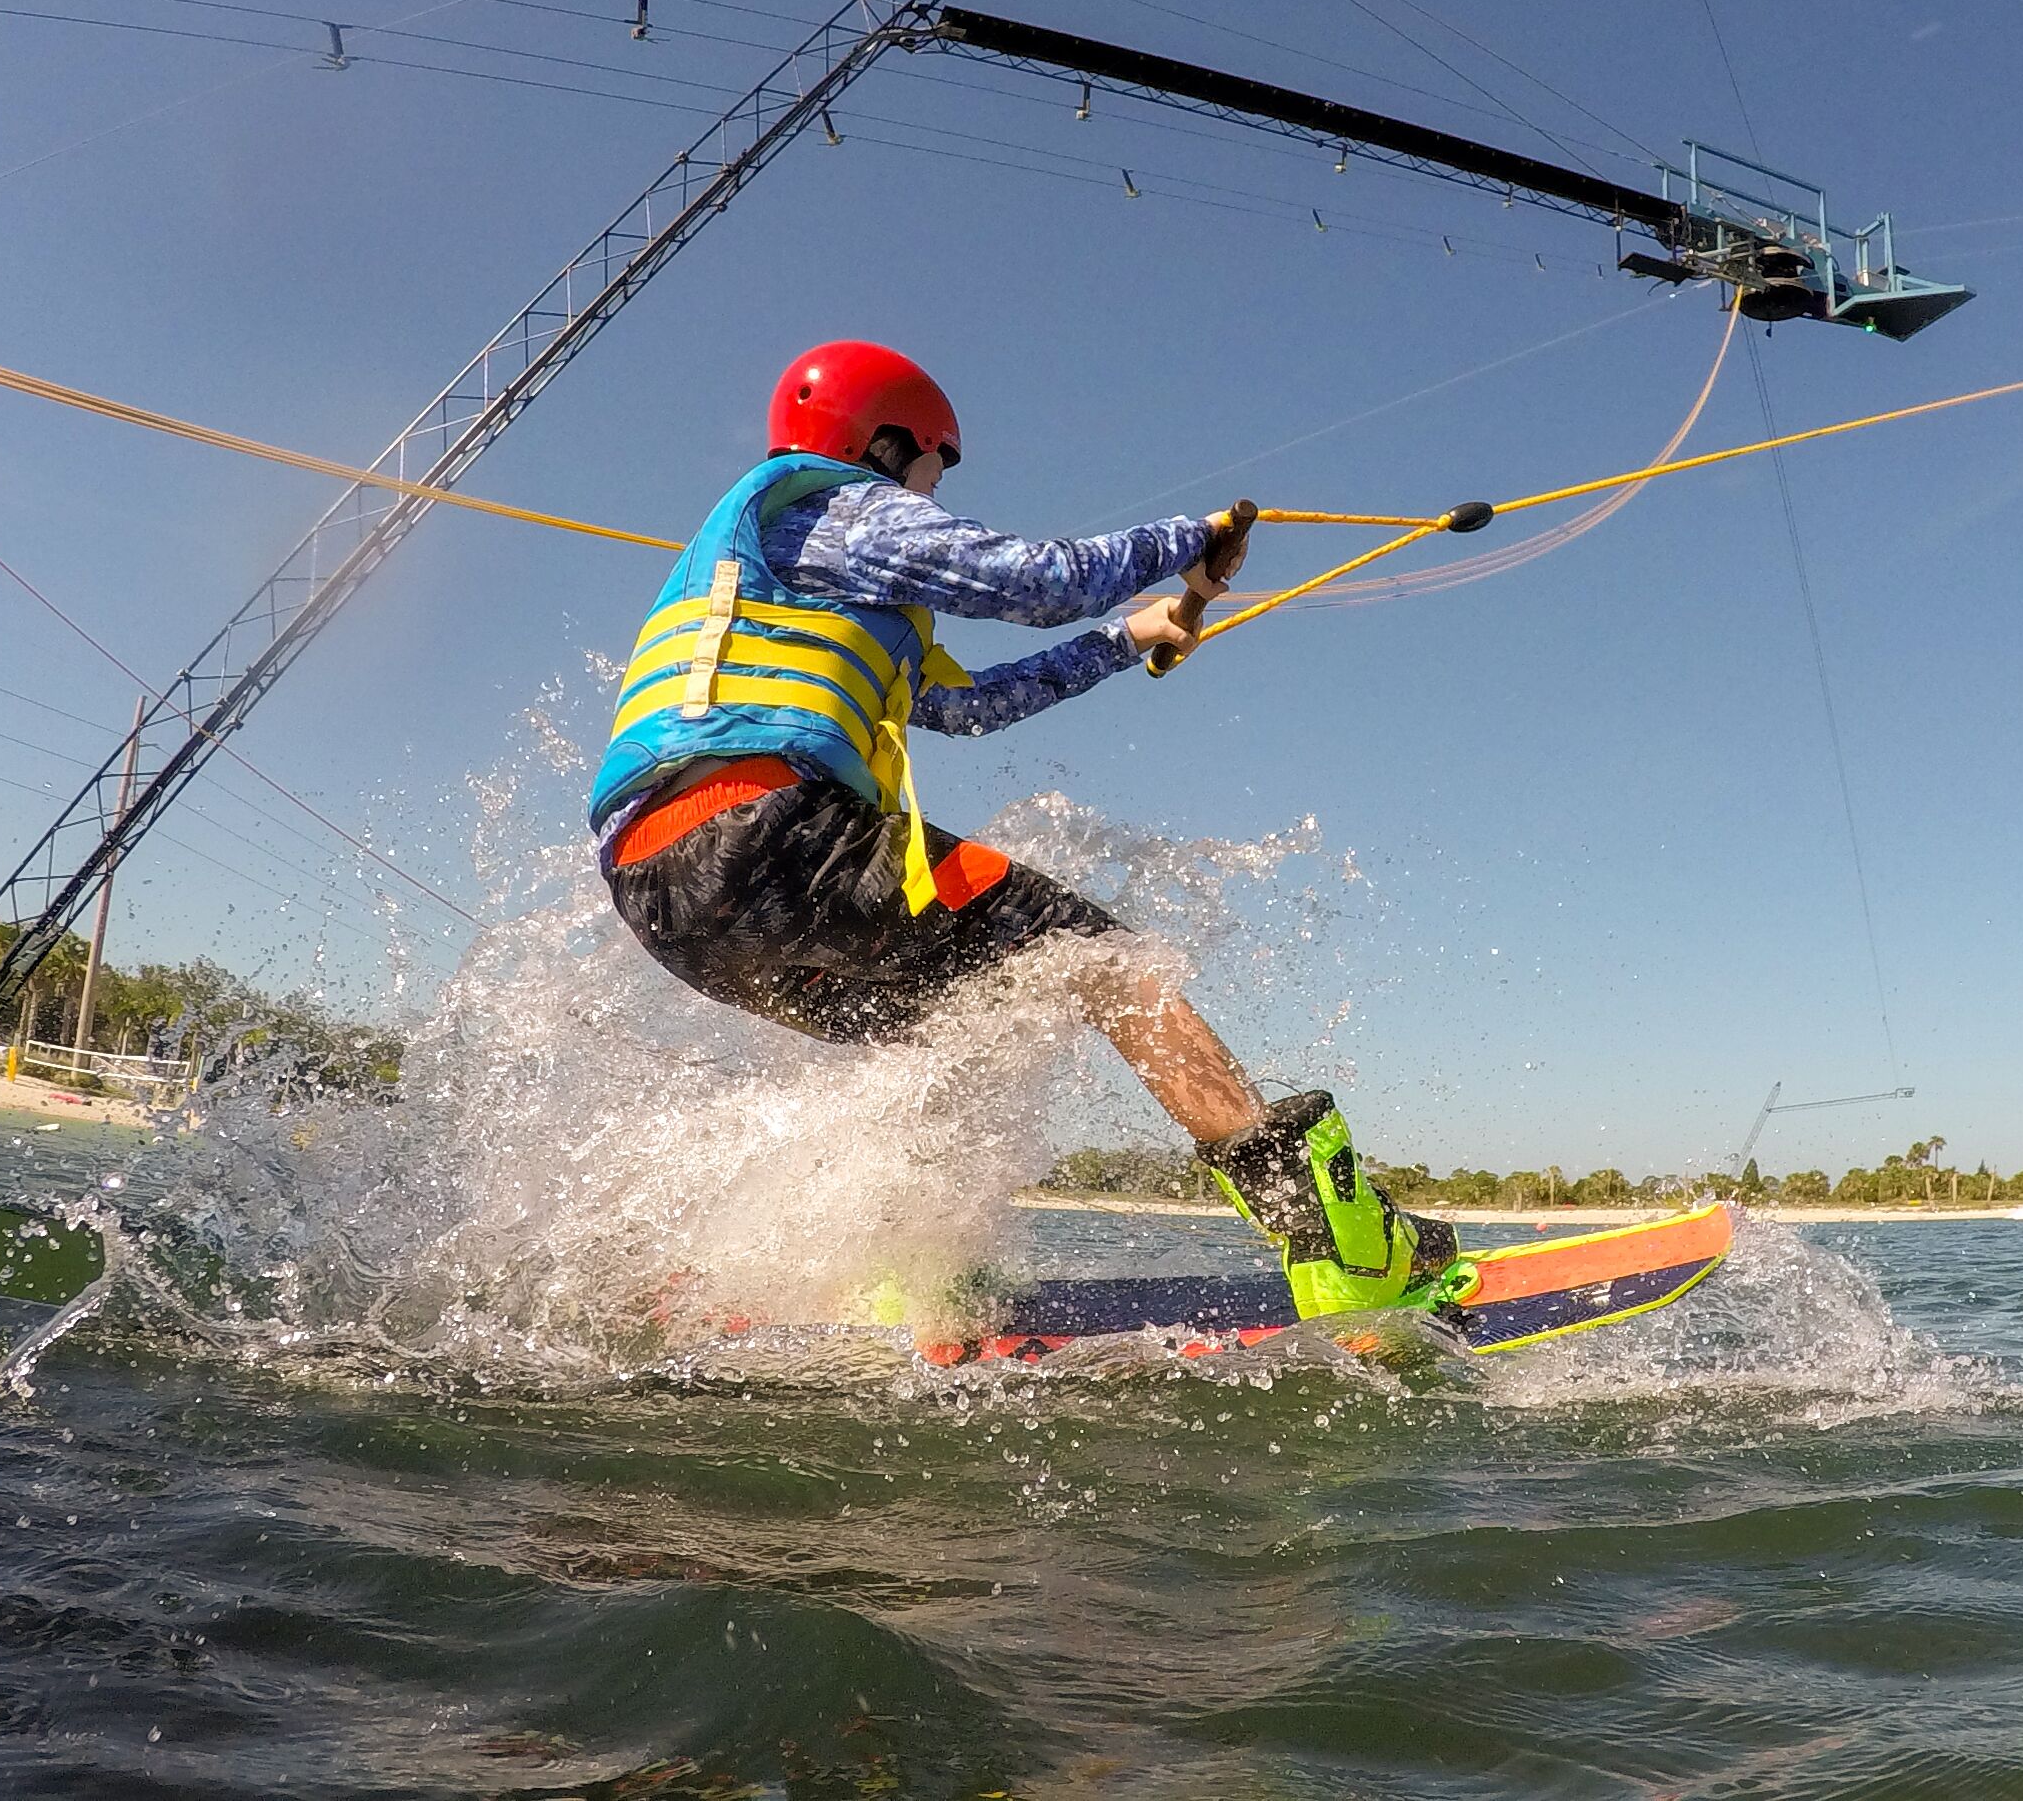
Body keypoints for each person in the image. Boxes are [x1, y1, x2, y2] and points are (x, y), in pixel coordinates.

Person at [589, 340, 1455, 1317]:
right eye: (937, 462)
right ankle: (1334, 1238)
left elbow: (971, 708)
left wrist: (1134, 636)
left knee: (951, 1036)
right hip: (774, 838)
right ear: (884, 443)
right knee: (1106, 963)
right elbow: (1040, 580)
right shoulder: (835, 508)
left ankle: (907, 1278)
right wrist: (1193, 536)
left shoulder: (799, 579)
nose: (938, 484)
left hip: (667, 896)